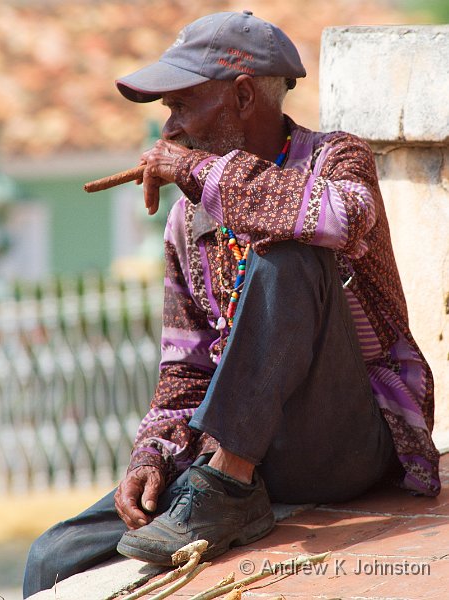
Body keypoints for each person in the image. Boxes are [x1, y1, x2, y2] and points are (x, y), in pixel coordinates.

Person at [24, 10, 440, 596]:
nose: (169, 129)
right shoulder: (185, 218)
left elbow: (344, 217)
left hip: (349, 440)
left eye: (181, 105)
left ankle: (227, 482)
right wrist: (152, 456)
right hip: (242, 453)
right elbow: (185, 367)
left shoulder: (339, 159)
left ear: (243, 96)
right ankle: (222, 485)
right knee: (54, 555)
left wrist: (198, 171)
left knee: (291, 254)